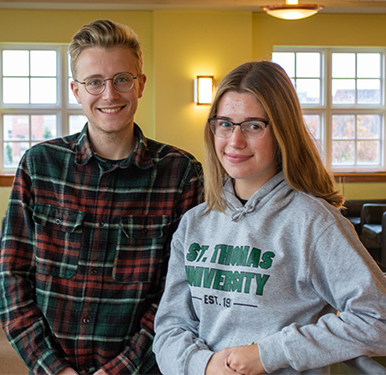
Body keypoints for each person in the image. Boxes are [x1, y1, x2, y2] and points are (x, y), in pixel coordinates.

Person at [152, 61, 386, 375]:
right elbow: (170, 328)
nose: (235, 141)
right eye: (225, 124)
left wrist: (268, 354)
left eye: (253, 125)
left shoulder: (312, 222)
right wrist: (204, 365)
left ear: (281, 132)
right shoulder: (195, 223)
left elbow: (377, 318)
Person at [0, 19, 204, 375]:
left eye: (122, 79)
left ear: (140, 85)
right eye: (95, 82)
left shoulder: (181, 173)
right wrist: (51, 367)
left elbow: (180, 291)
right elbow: (13, 276)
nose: (109, 95)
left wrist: (121, 369)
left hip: (144, 367)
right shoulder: (39, 165)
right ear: (76, 90)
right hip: (51, 365)